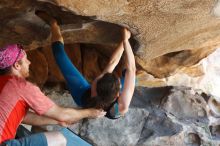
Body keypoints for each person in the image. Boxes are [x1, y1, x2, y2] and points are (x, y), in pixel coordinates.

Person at [35, 10, 136, 120]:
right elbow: (113, 63)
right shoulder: (101, 82)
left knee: (60, 56)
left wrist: (126, 41)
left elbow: (132, 69)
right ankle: (54, 24)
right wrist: (124, 40)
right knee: (129, 77)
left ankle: (53, 23)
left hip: (83, 96)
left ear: (118, 95)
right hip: (100, 94)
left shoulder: (121, 106)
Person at [0, 46, 106, 144]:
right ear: (17, 65)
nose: (29, 62)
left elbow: (23, 117)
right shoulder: (21, 86)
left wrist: (58, 121)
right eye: (26, 60)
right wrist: (91, 112)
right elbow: (62, 114)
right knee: (58, 139)